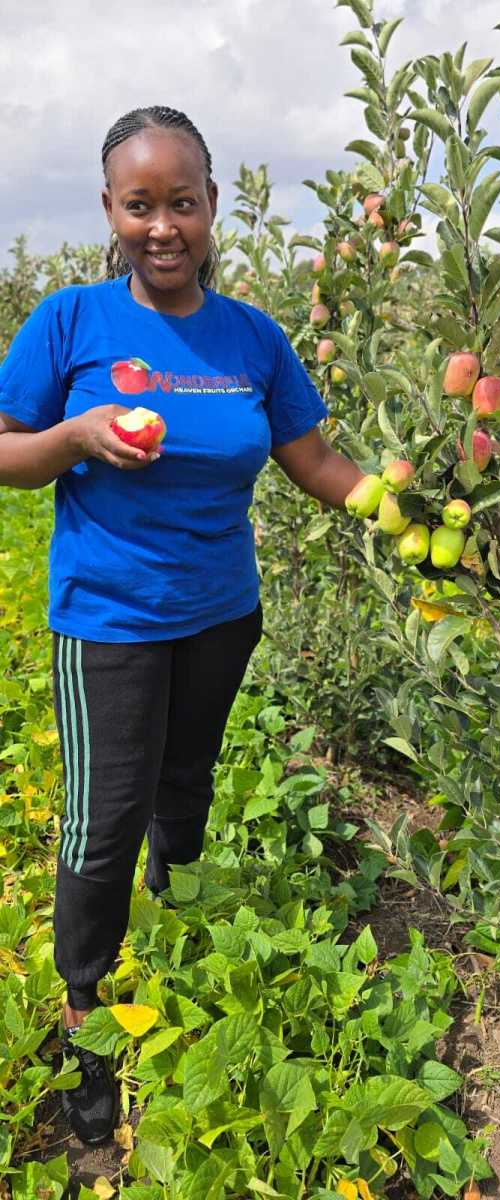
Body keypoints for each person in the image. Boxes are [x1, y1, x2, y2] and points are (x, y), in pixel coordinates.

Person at [0, 105, 363, 1145]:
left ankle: (187, 904)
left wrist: (396, 507)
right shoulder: (69, 321)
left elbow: (313, 461)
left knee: (188, 779)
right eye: (140, 204)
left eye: (183, 202)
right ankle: (87, 1026)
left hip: (220, 612)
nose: (164, 224)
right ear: (110, 211)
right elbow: (5, 448)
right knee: (100, 820)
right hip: (109, 619)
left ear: (211, 207)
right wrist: (72, 434)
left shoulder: (250, 335)